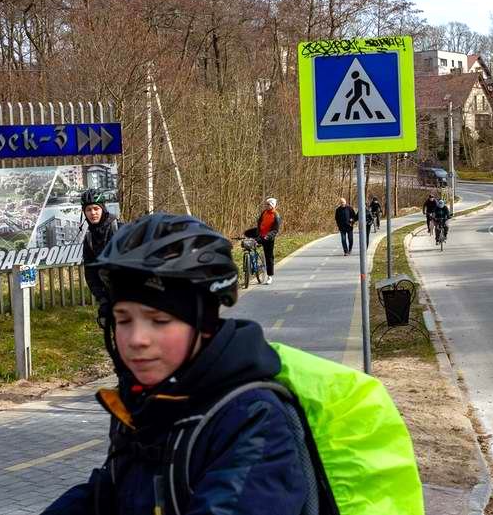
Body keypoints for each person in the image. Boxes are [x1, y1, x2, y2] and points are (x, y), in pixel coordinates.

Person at [41, 213, 308, 515]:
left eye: (159, 320)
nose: (137, 339)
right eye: (123, 319)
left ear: (205, 325)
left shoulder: (253, 420)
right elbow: (109, 495)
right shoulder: (142, 401)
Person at [80, 188, 120, 326]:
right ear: (84, 212)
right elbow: (90, 271)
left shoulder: (119, 229)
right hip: (109, 295)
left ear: (103, 208)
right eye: (88, 210)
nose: (93, 213)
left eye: (96, 208)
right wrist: (102, 299)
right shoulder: (90, 238)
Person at [244, 197, 281, 285]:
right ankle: (251, 262)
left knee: (269, 257)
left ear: (273, 205)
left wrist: (267, 236)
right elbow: (260, 222)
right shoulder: (264, 212)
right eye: (266, 204)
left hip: (268, 238)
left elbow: (275, 230)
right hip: (261, 234)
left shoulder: (276, 215)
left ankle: (269, 276)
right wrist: (258, 232)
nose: (266, 206)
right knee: (247, 234)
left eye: (268, 204)